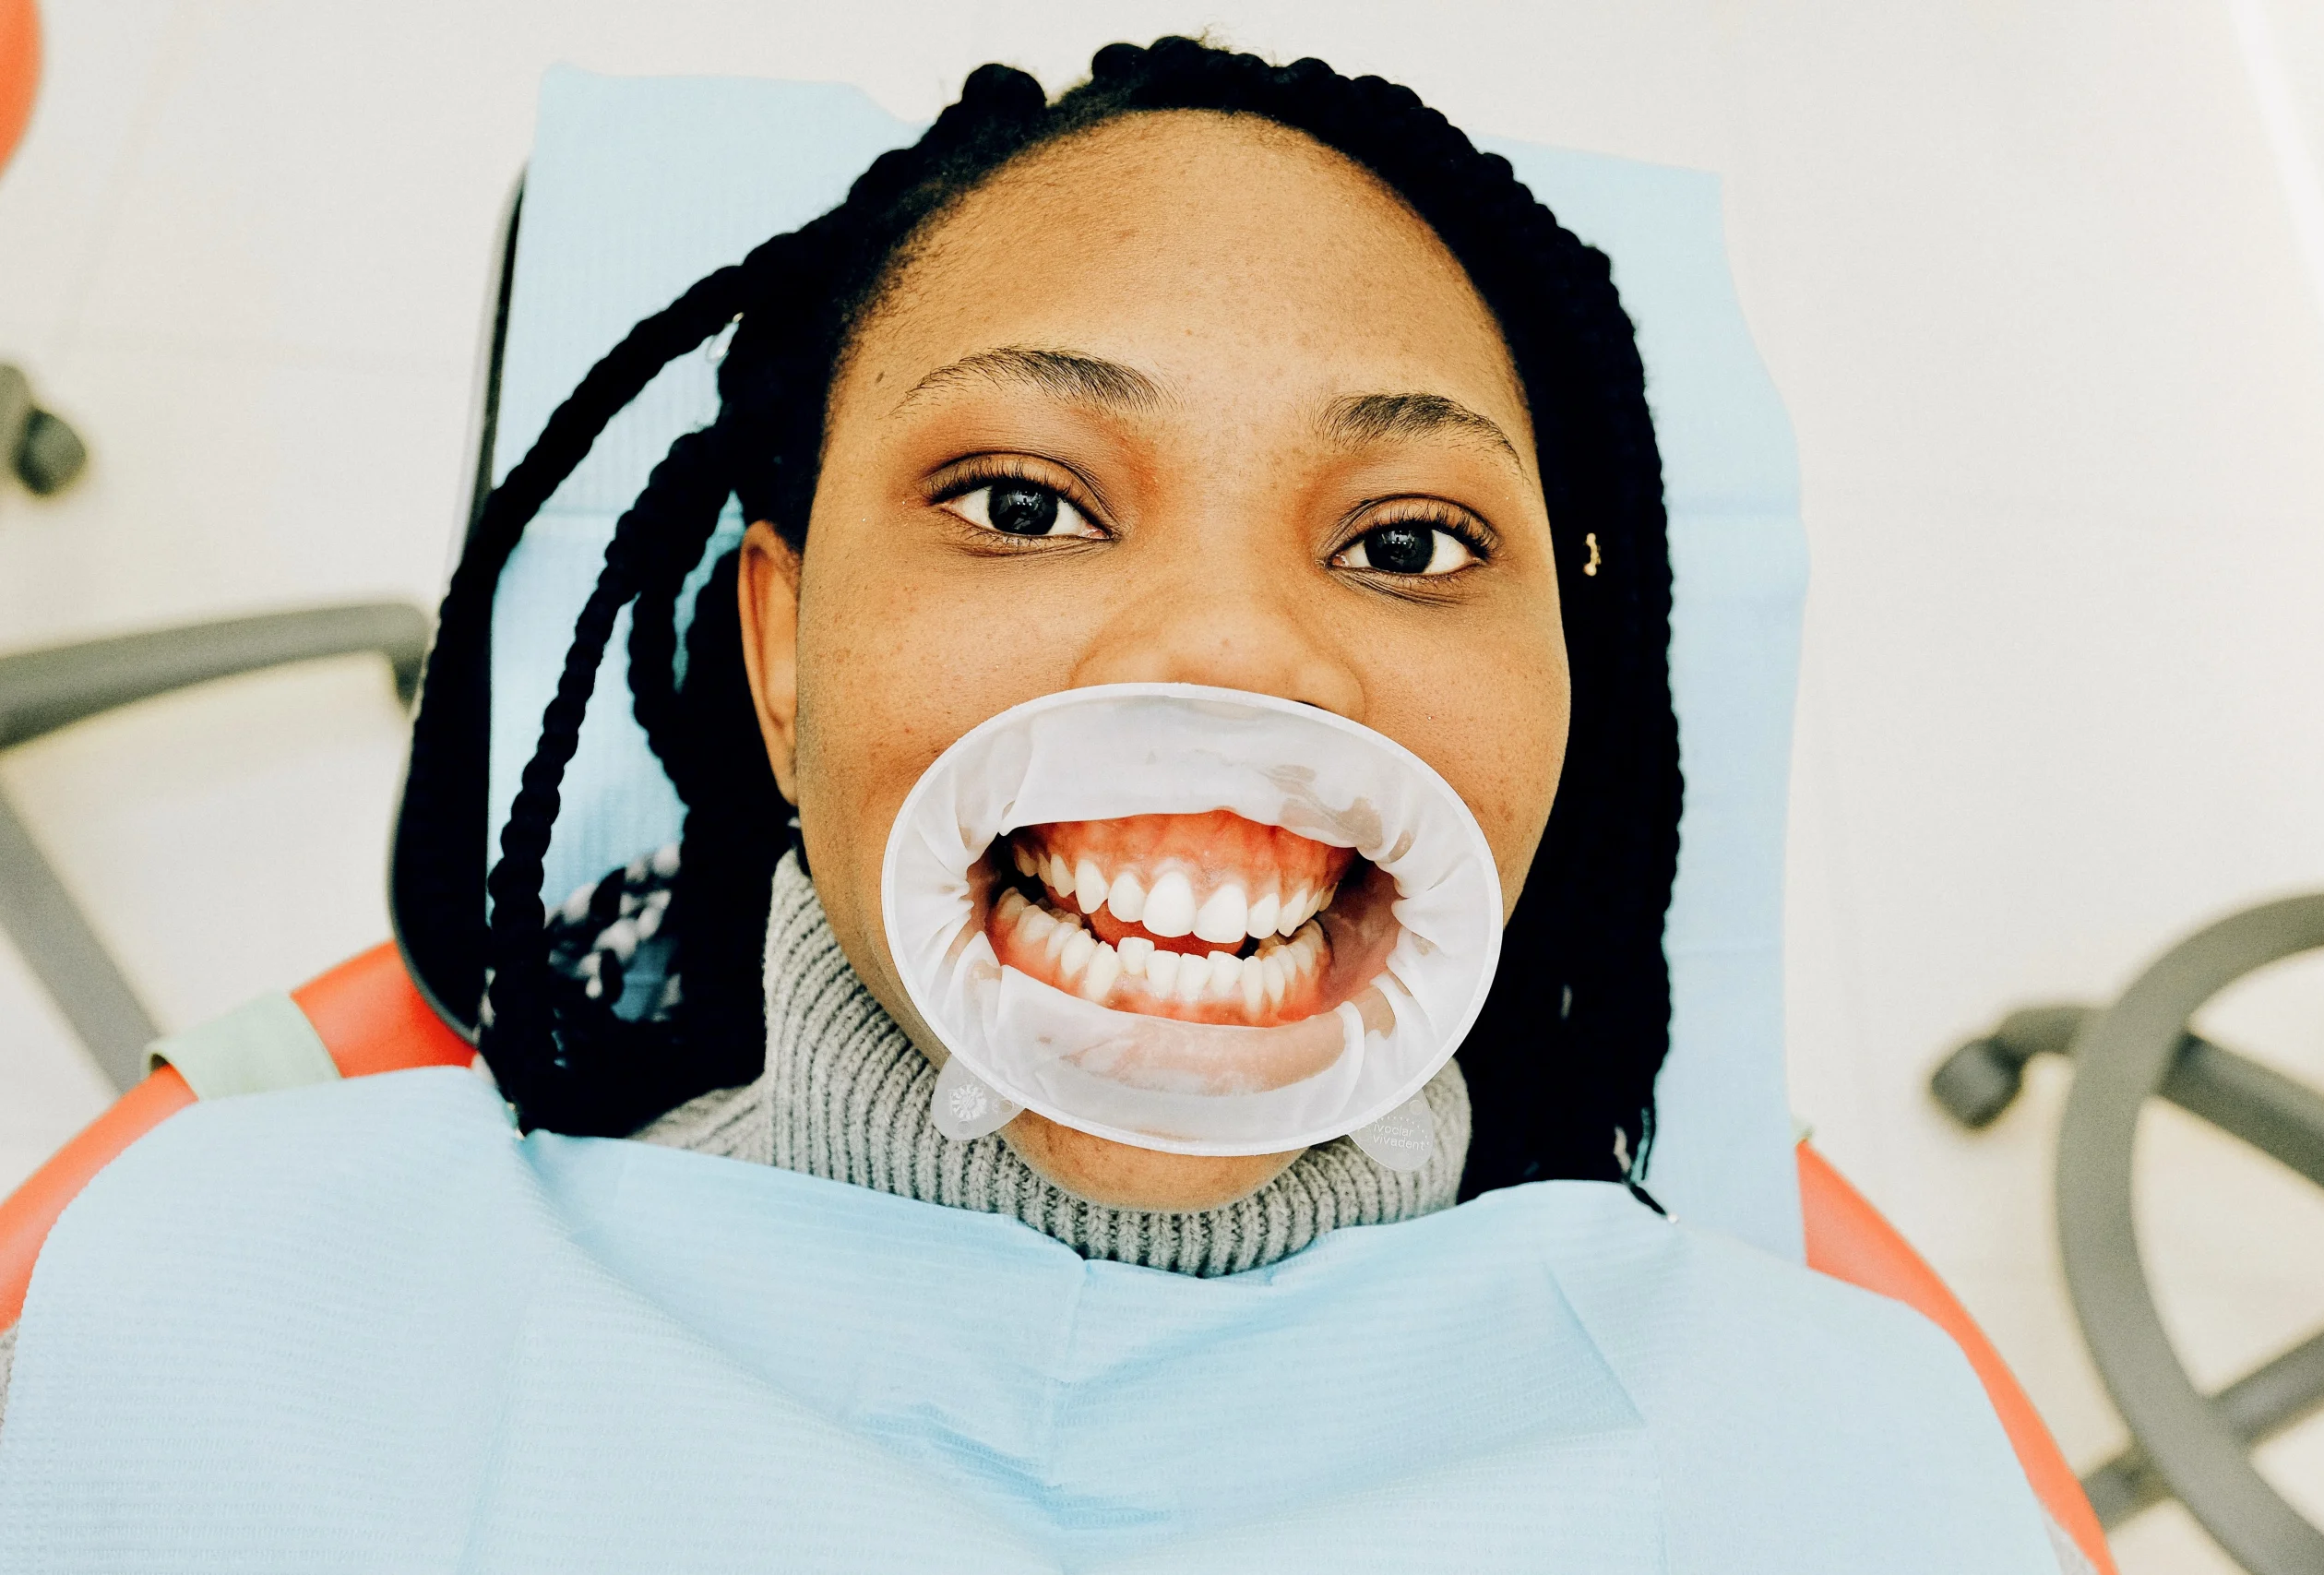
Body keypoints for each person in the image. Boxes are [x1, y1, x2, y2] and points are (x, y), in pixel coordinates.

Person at [0, 39, 2076, 1571]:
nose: (1235, 655)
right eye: (1020, 500)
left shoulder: (1853, 1487)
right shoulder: (209, 1319)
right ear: (782, 642)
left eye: (1412, 541)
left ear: (1569, 689)